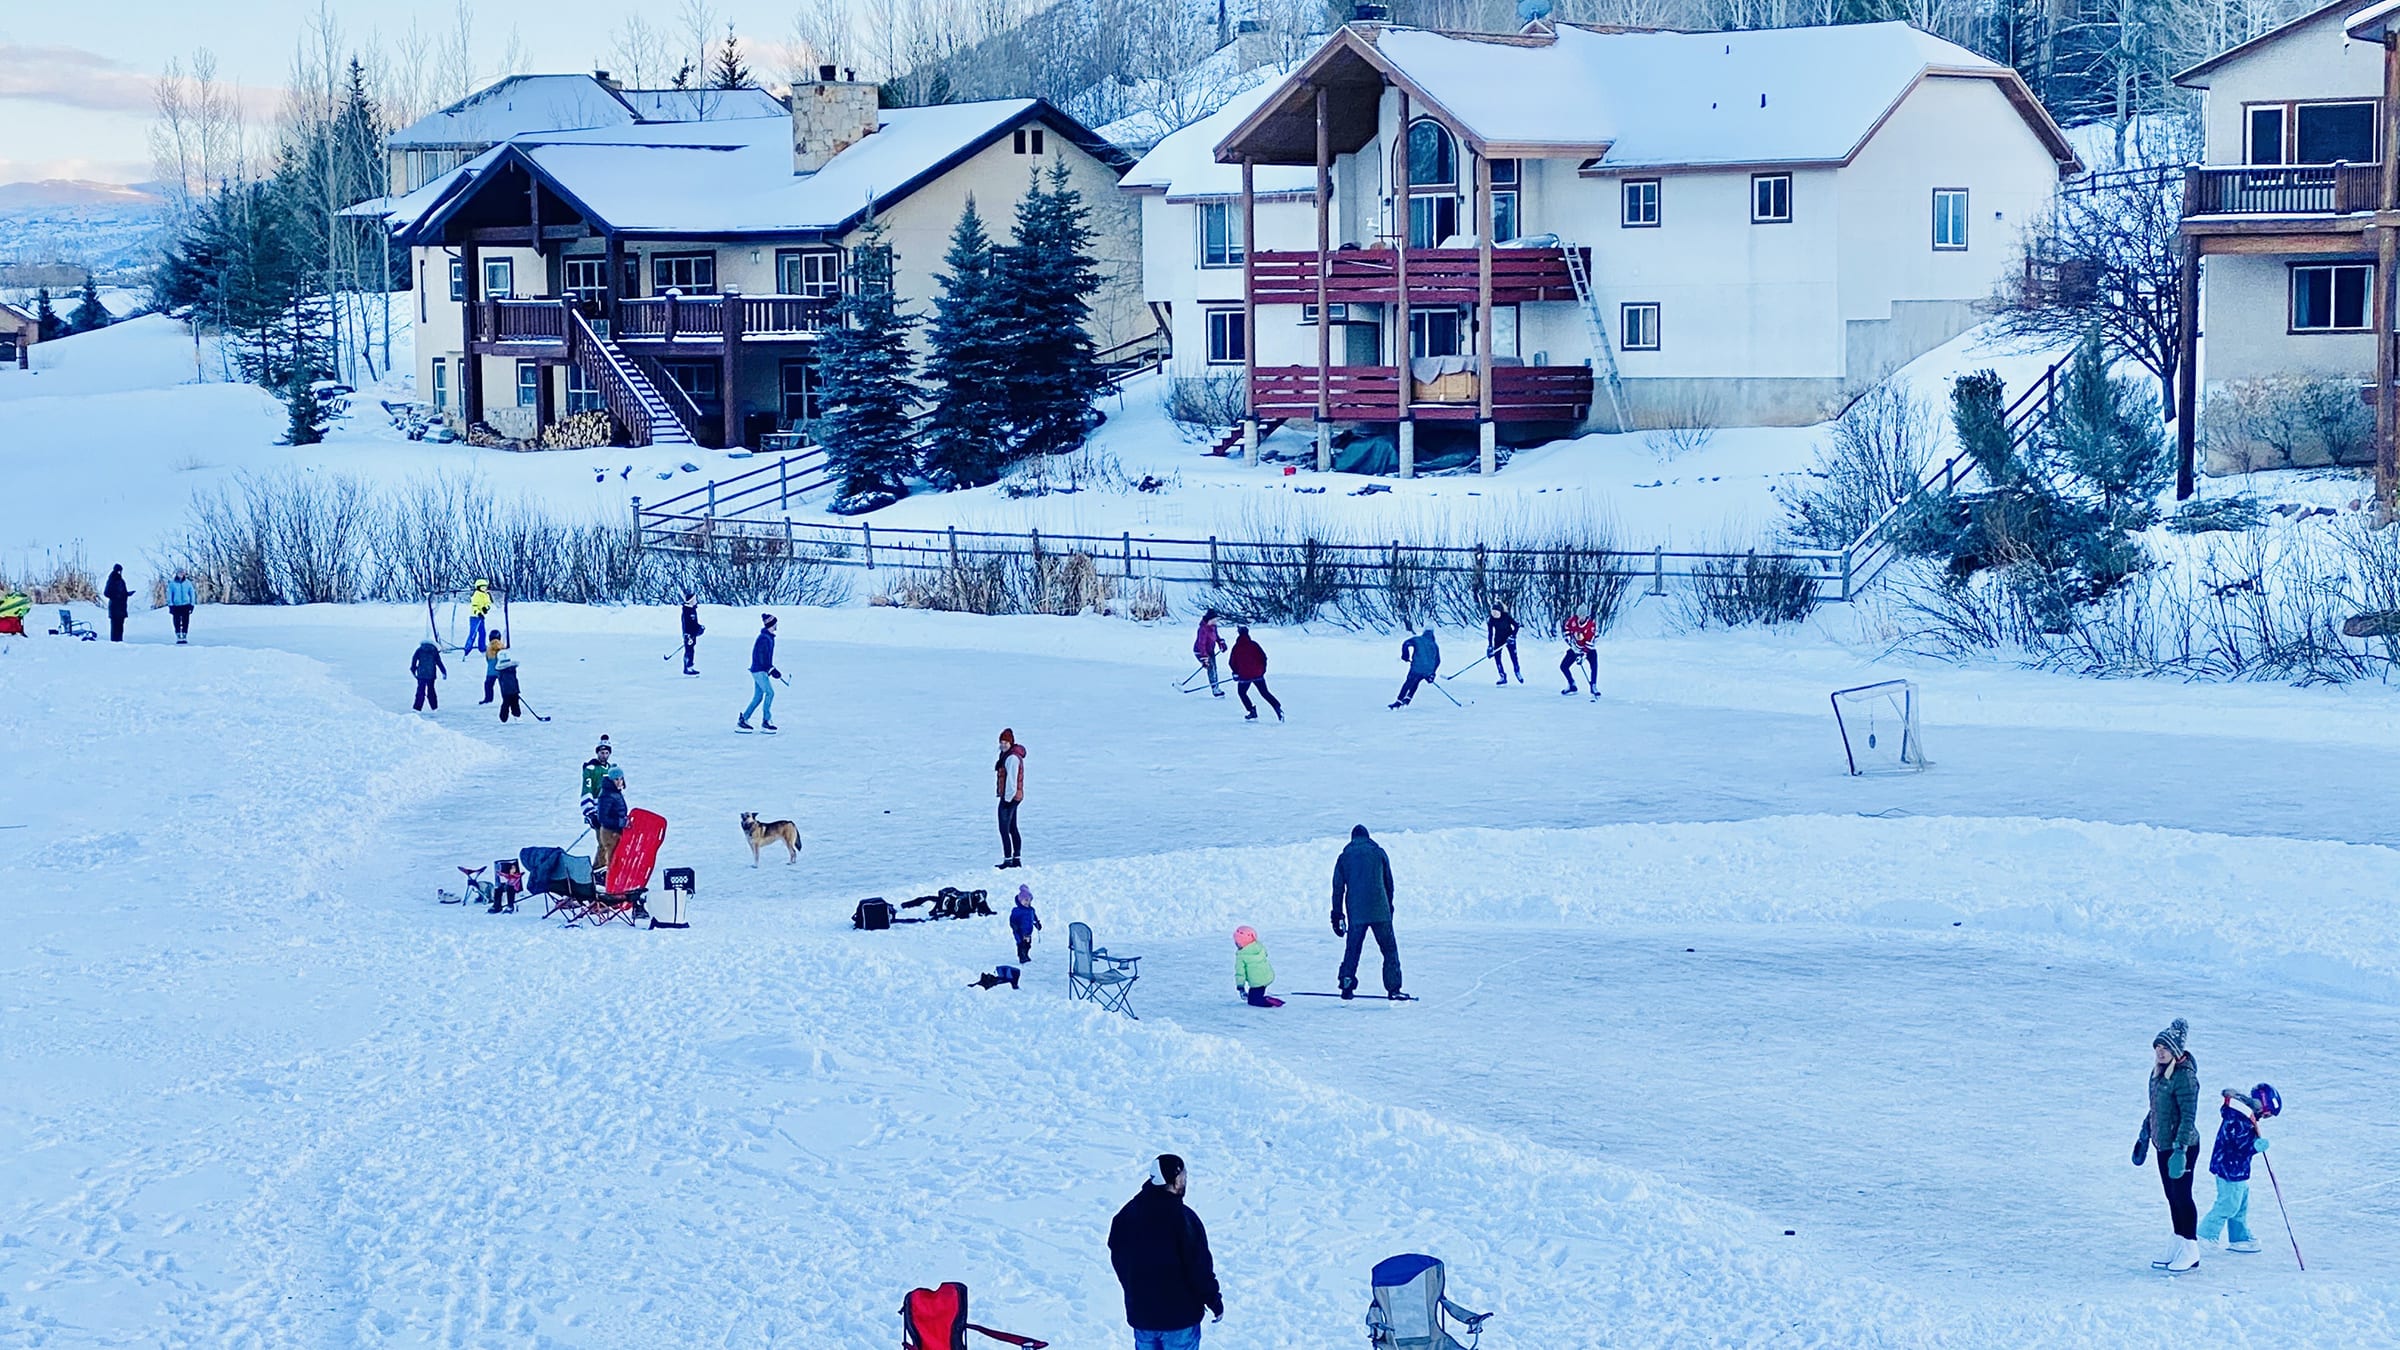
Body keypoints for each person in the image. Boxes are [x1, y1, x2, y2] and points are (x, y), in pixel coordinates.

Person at [1108, 1154, 1224, 1349]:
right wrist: (1213, 1300)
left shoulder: (1127, 1215)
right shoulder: (1184, 1220)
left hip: (1142, 1317)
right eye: (1184, 1177)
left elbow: (1118, 1255)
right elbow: (1199, 1268)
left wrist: (1134, 1289)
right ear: (1175, 1180)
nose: (1185, 1181)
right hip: (1180, 1321)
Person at [2134, 1017, 2203, 1273]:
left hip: (2181, 1148)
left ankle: (2191, 1248)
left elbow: (2188, 1117)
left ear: (2175, 1051)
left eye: (2164, 1047)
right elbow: (2156, 1110)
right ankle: (2178, 1242)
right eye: (2157, 1047)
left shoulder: (2184, 1078)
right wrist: (2144, 1135)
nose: (2159, 1051)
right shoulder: (2158, 1075)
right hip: (2162, 1145)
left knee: (2183, 1196)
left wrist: (2180, 1150)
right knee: (2171, 1196)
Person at [2199, 1083, 2281, 1255]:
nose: (2266, 1117)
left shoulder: (2247, 1117)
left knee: (2241, 1203)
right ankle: (2205, 1234)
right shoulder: (2238, 1117)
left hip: (2237, 1168)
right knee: (2228, 1204)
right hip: (2229, 1168)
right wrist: (2254, 1146)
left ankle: (2239, 1237)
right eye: (2267, 1114)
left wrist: (2253, 1145)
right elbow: (2237, 1144)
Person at [1330, 825, 1402, 1000]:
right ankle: (1394, 989)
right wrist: (1389, 906)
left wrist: (1337, 915)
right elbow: (1389, 883)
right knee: (1389, 950)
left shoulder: (1344, 857)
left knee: (1352, 949)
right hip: (1380, 911)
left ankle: (1347, 981)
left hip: (1356, 914)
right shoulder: (1379, 853)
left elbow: (1338, 888)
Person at [1227, 625, 1282, 722]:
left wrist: (1236, 673)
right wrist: (1262, 670)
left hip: (1244, 676)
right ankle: (1276, 706)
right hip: (1258, 675)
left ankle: (1251, 710)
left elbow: (1232, 662)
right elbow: (1263, 658)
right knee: (1265, 693)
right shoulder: (1254, 645)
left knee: (1242, 693)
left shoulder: (1236, 647)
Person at [741, 613, 781, 732]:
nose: (777, 625)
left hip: (760, 670)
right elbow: (761, 656)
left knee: (758, 697)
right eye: (775, 623)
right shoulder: (764, 638)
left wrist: (771, 668)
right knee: (770, 693)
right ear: (771, 625)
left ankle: (744, 719)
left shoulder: (768, 637)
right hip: (759, 670)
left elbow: (766, 657)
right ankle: (766, 721)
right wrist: (770, 669)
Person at [994, 728, 1027, 869]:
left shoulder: (1012, 758)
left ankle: (1008, 860)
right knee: (1012, 827)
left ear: (1011, 742)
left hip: (1010, 797)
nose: (1002, 745)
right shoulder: (1007, 755)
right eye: (1001, 742)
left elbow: (1011, 782)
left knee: (1004, 828)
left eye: (1005, 742)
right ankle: (1016, 859)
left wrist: (1007, 800)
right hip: (1014, 796)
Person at [1233, 925, 1282, 1008]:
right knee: (1254, 996)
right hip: (1268, 976)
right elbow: (1266, 955)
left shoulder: (1241, 956)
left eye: (1237, 942)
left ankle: (1270, 1002)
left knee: (1253, 1002)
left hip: (1257, 982)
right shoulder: (1259, 946)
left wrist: (1240, 986)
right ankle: (1260, 997)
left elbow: (1240, 972)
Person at [1391, 628, 1440, 708]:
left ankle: (1398, 701)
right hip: (1428, 670)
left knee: (1409, 682)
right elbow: (1438, 661)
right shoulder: (1434, 645)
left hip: (1416, 667)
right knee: (1416, 681)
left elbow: (1406, 644)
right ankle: (1408, 698)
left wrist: (1405, 656)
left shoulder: (1417, 639)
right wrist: (1432, 673)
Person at [593, 770, 630, 876]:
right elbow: (603, 818)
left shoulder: (615, 793)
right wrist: (621, 822)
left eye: (621, 779)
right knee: (612, 861)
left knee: (617, 860)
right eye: (616, 779)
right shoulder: (607, 795)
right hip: (610, 833)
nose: (619, 782)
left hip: (616, 831)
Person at [581, 738, 623, 821]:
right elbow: (587, 790)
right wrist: (590, 812)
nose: (604, 756)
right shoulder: (591, 769)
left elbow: (617, 790)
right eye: (602, 753)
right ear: (597, 752)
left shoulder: (612, 770)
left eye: (607, 753)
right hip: (597, 809)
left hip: (611, 810)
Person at [1192, 610, 1227, 697]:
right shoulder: (1202, 629)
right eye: (1215, 619)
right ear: (1209, 619)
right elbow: (1201, 644)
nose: (1216, 621)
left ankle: (1216, 687)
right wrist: (1204, 658)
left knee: (1214, 668)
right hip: (1200, 651)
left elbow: (1216, 637)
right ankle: (1215, 689)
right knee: (1211, 668)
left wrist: (1221, 643)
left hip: (1210, 651)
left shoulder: (1213, 627)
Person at [1486, 603, 1522, 685]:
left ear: (1500, 612)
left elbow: (1516, 626)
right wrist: (1490, 646)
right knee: (1497, 657)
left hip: (1509, 639)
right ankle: (1502, 676)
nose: (1494, 614)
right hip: (1498, 639)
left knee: (1513, 656)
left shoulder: (1506, 617)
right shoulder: (1491, 620)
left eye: (1496, 612)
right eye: (1493, 612)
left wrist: (1513, 636)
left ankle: (1517, 671)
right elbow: (1490, 633)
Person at [409, 638, 446, 711]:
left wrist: (413, 669)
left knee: (420, 691)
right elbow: (439, 662)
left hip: (421, 674)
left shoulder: (419, 650)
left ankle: (417, 708)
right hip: (431, 674)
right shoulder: (434, 651)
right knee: (431, 690)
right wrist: (444, 672)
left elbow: (414, 660)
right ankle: (434, 707)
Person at [1010, 884, 1043, 963]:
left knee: (1028, 945)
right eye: (1025, 900)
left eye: (1029, 900)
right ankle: (1022, 956)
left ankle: (1026, 954)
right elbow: (1012, 919)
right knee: (1021, 944)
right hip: (1019, 931)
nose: (1027, 902)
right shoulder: (1017, 910)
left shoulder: (1031, 910)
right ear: (1020, 901)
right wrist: (1014, 926)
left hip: (1028, 931)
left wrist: (1037, 923)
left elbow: (1034, 918)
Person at [165, 569, 197, 644]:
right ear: (176, 574)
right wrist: (170, 605)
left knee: (186, 620)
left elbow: (192, 593)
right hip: (176, 606)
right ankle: (178, 634)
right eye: (179, 573)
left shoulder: (188, 583)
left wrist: (192, 604)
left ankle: (185, 634)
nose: (181, 574)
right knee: (177, 621)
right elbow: (169, 594)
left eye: (182, 573)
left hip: (186, 605)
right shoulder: (172, 584)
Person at [463, 579, 492, 659]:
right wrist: (478, 612)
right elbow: (474, 606)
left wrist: (486, 608)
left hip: (482, 617)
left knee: (482, 632)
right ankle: (467, 649)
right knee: (473, 634)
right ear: (478, 587)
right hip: (475, 617)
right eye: (482, 587)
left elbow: (488, 603)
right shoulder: (476, 594)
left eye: (485, 587)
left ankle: (482, 647)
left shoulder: (486, 595)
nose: (484, 589)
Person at [494, 650, 524, 723]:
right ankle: (507, 717)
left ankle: (514, 716)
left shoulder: (505, 670)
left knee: (512, 703)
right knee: (510, 703)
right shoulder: (507, 670)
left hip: (509, 690)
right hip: (509, 690)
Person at [104, 563, 131, 642]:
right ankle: (114, 642)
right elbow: (107, 593)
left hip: (121, 607)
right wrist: (117, 596)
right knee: (115, 626)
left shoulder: (120, 580)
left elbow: (122, 592)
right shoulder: (112, 580)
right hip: (115, 607)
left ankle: (119, 641)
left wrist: (127, 594)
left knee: (120, 626)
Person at [480, 629, 508, 703]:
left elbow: (487, 659)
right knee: (503, 686)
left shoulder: (489, 646)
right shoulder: (501, 645)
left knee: (488, 685)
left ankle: (488, 698)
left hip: (491, 670)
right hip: (501, 669)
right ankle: (506, 699)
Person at [680, 594, 705, 675]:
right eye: (694, 599)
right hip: (688, 635)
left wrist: (699, 628)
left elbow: (694, 623)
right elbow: (686, 624)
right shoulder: (686, 611)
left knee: (691, 650)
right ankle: (687, 667)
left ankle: (690, 666)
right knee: (689, 650)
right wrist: (687, 635)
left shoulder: (693, 610)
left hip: (693, 634)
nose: (696, 601)